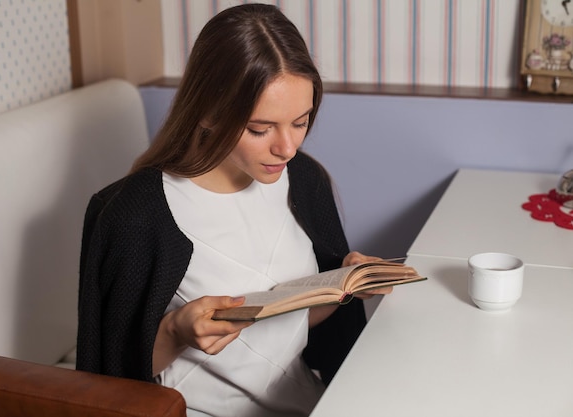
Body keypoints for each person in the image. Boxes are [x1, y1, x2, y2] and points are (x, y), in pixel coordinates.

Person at [76, 4, 392, 416]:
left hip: (301, 403)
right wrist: (174, 331)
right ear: (208, 112)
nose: (287, 147)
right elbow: (108, 377)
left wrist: (346, 289)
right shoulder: (135, 215)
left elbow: (290, 335)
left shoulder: (305, 181)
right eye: (260, 129)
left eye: (301, 121)